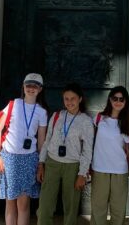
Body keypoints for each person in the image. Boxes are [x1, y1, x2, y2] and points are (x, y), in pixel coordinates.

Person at [0, 73, 48, 225]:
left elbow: (41, 141)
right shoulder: (13, 105)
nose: (31, 88)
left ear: (40, 89)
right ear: (23, 87)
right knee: (10, 202)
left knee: (23, 204)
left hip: (29, 159)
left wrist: (41, 163)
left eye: (35, 86)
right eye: (28, 85)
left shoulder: (41, 112)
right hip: (8, 157)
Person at [37, 83, 94, 225]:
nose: (69, 102)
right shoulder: (57, 116)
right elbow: (47, 140)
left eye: (73, 98)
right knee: (44, 206)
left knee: (71, 208)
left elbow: (87, 150)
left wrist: (82, 174)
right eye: (66, 99)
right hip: (52, 163)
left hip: (73, 167)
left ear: (80, 99)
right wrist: (41, 163)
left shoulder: (86, 121)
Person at [91, 86, 129, 225]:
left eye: (121, 99)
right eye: (115, 98)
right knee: (98, 208)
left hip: (119, 170)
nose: (118, 102)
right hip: (100, 168)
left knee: (118, 210)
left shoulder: (126, 122)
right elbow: (91, 141)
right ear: (110, 99)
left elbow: (128, 149)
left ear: (125, 102)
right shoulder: (99, 118)